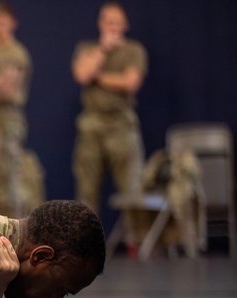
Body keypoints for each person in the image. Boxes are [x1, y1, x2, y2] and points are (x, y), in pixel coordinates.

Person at [71, 2, 147, 256]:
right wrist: (102, 51)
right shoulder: (87, 49)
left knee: (132, 187)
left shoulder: (134, 50)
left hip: (122, 125)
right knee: (87, 188)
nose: (112, 27)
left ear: (125, 25)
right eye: (108, 22)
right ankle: (87, 245)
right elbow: (82, 74)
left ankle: (136, 243)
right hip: (91, 125)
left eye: (117, 22)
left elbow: (130, 82)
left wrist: (100, 78)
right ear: (100, 24)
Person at [0, 1, 32, 218]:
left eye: (2, 20)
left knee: (7, 188)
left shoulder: (16, 53)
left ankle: (16, 241)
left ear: (13, 23)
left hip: (6, 124)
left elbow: (4, 90)